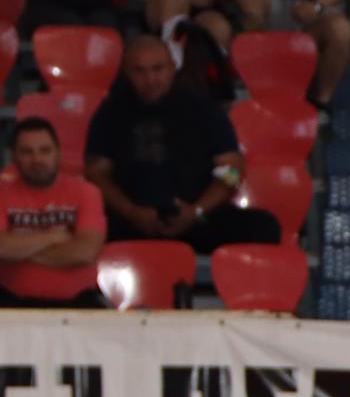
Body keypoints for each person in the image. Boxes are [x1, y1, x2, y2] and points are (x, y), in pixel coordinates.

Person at [85, 36, 283, 253]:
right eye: (139, 71)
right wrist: (131, 211)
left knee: (263, 227)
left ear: (172, 68)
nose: (150, 79)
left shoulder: (203, 109)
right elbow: (96, 173)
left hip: (198, 218)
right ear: (126, 72)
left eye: (157, 69)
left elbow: (233, 170)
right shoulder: (110, 112)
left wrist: (197, 210)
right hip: (132, 220)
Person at [0, 118, 107, 309]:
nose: (37, 160)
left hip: (79, 302)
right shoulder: (2, 193)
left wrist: (19, 250)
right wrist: (54, 236)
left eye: (45, 150)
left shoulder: (87, 192)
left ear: (58, 153)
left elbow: (85, 253)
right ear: (14, 156)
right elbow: (2, 248)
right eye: (27, 152)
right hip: (11, 300)